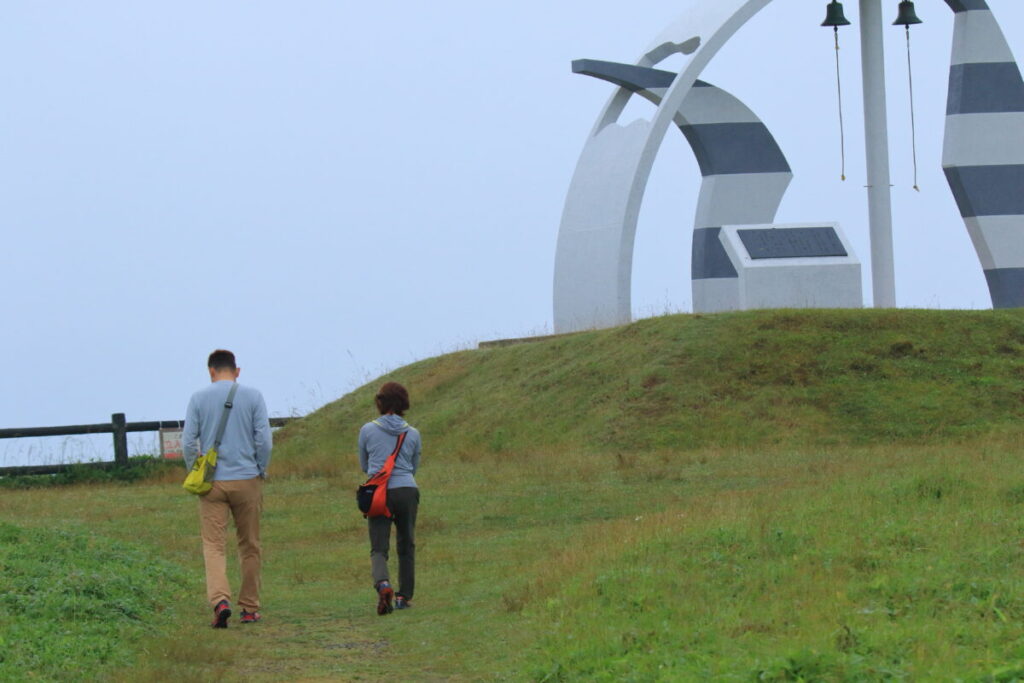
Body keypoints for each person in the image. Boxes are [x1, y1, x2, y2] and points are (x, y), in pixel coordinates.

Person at [183, 349, 272, 628]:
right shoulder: (254, 396)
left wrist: (194, 469)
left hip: (212, 482)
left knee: (214, 545)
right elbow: (265, 440)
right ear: (237, 371)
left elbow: (188, 443)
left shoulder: (198, 398)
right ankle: (249, 608)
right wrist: (261, 468)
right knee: (250, 545)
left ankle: (220, 601)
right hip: (247, 478)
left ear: (211, 371)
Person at [359, 381, 422, 615]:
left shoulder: (367, 430)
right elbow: (414, 467)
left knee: (378, 547)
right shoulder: (413, 433)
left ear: (379, 402)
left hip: (379, 493)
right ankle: (404, 596)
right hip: (407, 489)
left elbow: (365, 465)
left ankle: (383, 583)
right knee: (406, 544)